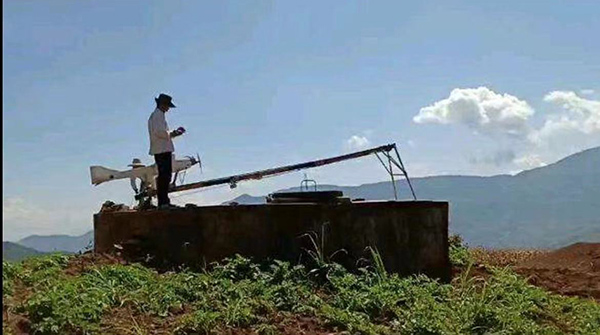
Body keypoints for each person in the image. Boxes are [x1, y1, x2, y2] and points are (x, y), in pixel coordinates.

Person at [148, 93, 186, 208]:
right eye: (167, 106)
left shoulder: (156, 115)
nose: (168, 108)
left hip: (160, 149)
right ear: (162, 105)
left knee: (164, 175)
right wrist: (174, 133)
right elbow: (160, 132)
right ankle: (163, 202)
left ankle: (164, 201)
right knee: (165, 176)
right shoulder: (158, 115)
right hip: (162, 149)